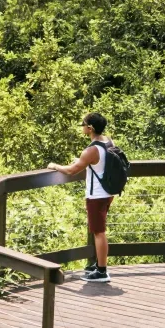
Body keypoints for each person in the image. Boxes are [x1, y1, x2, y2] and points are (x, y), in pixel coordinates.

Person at [48, 112, 119, 282]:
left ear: (90, 128)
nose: (82, 126)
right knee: (99, 230)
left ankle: (102, 271)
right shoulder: (108, 141)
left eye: (83, 124)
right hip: (108, 193)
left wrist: (55, 166)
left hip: (97, 196)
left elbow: (72, 170)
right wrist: (83, 161)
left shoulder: (91, 150)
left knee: (99, 232)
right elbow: (100, 163)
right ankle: (99, 265)